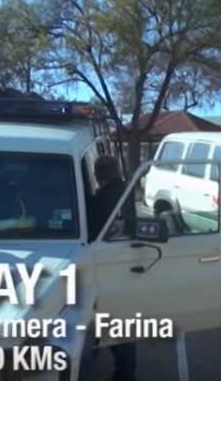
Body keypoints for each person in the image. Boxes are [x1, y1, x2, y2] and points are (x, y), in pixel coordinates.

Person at [86, 155, 138, 380]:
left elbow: (90, 228)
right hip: (122, 260)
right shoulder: (125, 191)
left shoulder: (101, 200)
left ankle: (122, 374)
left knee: (108, 323)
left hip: (104, 263)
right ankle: (124, 372)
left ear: (98, 175)